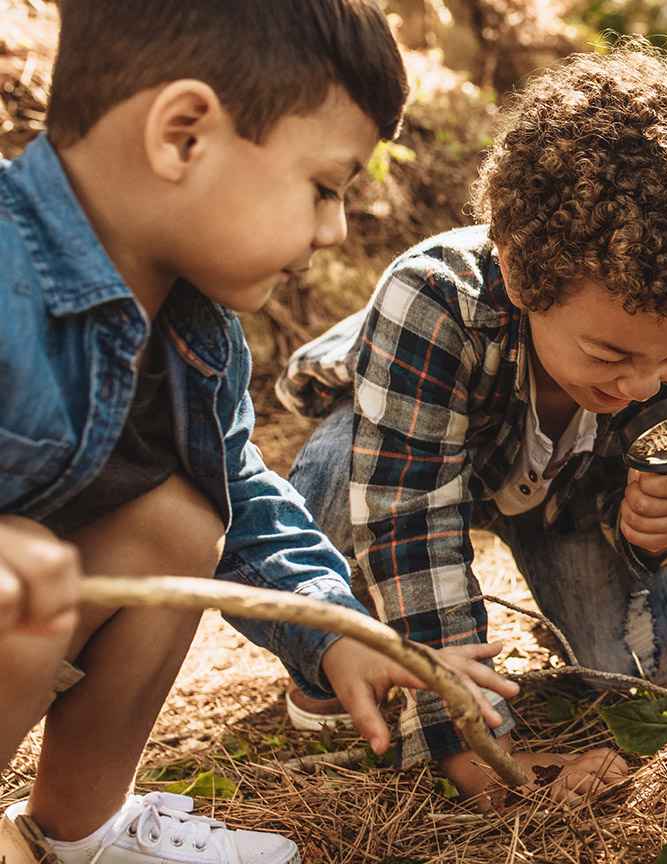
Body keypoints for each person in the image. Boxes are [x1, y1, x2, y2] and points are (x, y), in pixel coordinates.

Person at [0, 1, 582, 861]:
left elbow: (248, 500)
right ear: (183, 135)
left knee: (183, 521)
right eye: (323, 187)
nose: (334, 229)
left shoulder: (196, 334)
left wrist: (341, 632)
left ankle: (80, 831)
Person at [273, 47, 667, 810]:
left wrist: (662, 527)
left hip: (567, 500)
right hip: (419, 447)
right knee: (330, 481)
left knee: (660, 662)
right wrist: (466, 732)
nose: (642, 384)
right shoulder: (433, 300)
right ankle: (338, 653)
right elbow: (410, 517)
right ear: (518, 274)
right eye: (609, 353)